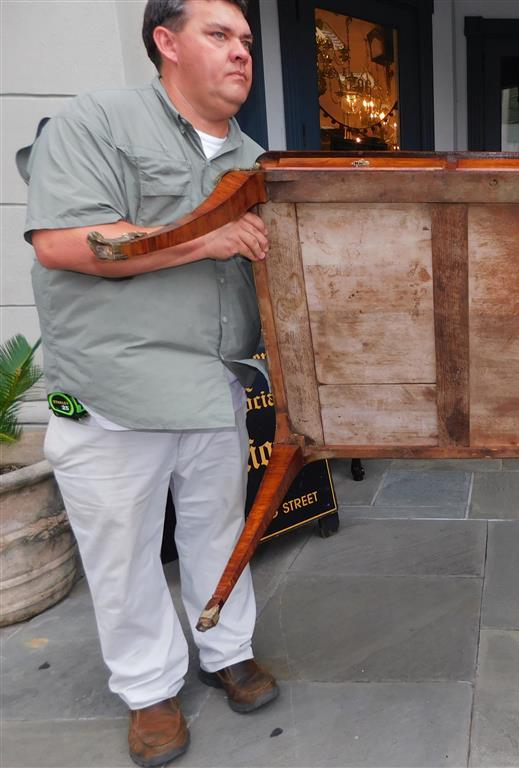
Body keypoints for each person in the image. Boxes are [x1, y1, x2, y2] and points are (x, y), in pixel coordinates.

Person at [23, 1, 277, 765]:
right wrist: (207, 238)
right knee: (122, 554)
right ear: (166, 43)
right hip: (113, 390)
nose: (240, 54)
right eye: (219, 35)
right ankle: (149, 692)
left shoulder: (253, 158)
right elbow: (64, 242)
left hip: (214, 386)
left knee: (215, 534)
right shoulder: (98, 121)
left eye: (245, 42)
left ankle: (226, 650)